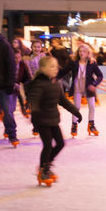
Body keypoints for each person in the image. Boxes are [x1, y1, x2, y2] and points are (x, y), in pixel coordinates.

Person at [25, 56, 81, 185]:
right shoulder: (38, 84)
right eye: (52, 66)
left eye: (56, 66)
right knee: (48, 145)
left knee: (61, 143)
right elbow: (34, 101)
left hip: (53, 119)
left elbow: (63, 101)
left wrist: (75, 111)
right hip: (41, 120)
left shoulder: (56, 83)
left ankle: (45, 166)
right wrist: (34, 114)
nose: (56, 69)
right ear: (43, 69)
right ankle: (43, 171)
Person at [58, 44, 103, 138]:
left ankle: (91, 125)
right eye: (80, 51)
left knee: (92, 107)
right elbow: (64, 71)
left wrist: (94, 84)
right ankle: (74, 125)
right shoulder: (74, 62)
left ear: (88, 53)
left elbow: (100, 76)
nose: (81, 53)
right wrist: (55, 77)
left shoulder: (92, 63)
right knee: (76, 107)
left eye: (84, 51)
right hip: (77, 88)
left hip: (88, 88)